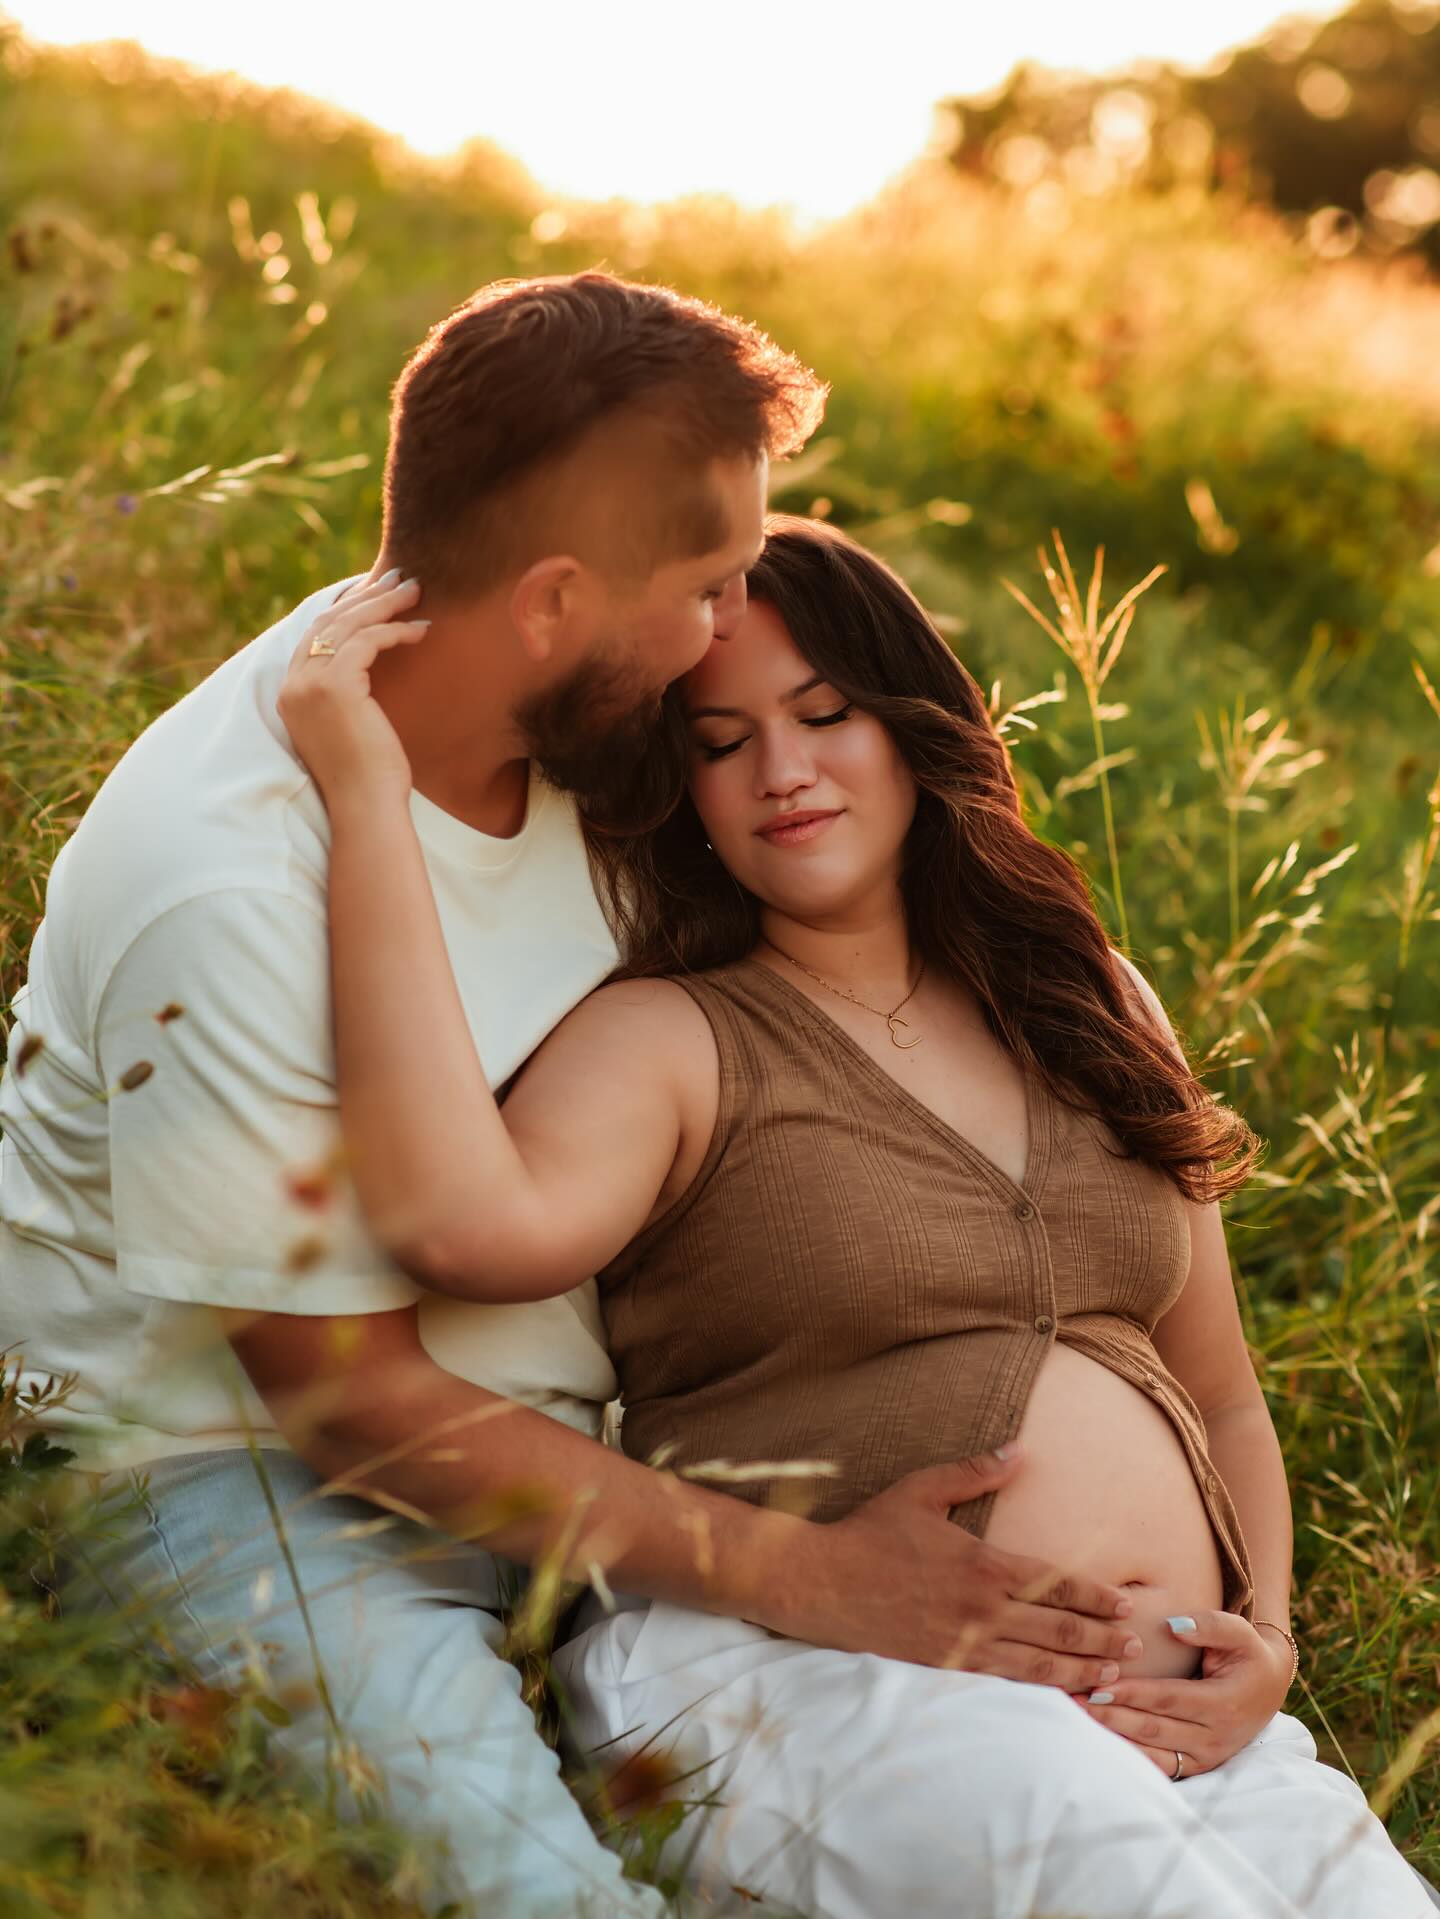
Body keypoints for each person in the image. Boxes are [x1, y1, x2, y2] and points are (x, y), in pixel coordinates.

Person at [0, 274, 1147, 1919]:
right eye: (705, 585)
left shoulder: (599, 721)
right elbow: (349, 1409)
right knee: (528, 1896)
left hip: (601, 1442)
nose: (732, 619)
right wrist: (817, 1577)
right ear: (552, 600)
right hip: (236, 1466)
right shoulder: (230, 881)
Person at [274, 513, 1437, 1918]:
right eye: (721, 742)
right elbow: (459, 1227)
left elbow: (1226, 1399)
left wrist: (1266, 1643)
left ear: (911, 723)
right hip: (817, 1677)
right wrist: (362, 788)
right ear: (682, 789)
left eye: (826, 715)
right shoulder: (672, 1041)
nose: (783, 771)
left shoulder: (1093, 997)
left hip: (1181, 1719)